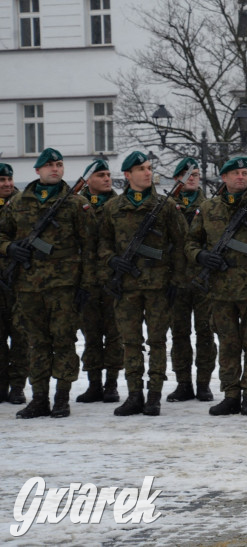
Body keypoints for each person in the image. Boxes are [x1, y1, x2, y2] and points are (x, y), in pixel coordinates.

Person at [186, 156, 247, 416]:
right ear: (224, 178)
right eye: (236, 173)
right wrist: (201, 256)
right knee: (228, 344)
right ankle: (230, 393)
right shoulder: (208, 209)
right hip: (220, 290)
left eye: (245, 172)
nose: (241, 177)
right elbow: (191, 243)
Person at [0, 148, 94, 419]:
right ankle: (39, 398)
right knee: (36, 343)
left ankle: (61, 398)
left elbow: (89, 246)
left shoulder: (76, 204)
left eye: (59, 164)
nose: (55, 169)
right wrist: (10, 248)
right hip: (28, 286)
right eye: (49, 165)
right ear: (37, 170)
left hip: (64, 287)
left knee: (64, 342)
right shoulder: (18, 204)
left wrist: (86, 285)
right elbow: (2, 234)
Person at [97, 151, 187, 416]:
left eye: (149, 168)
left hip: (159, 285)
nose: (147, 173)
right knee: (131, 342)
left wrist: (176, 281)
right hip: (126, 286)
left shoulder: (166, 206)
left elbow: (182, 245)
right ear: (127, 175)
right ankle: (134, 394)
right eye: (141, 169)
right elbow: (101, 244)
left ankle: (154, 395)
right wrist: (112, 261)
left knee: (157, 341)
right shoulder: (112, 208)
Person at [166, 158, 217, 403]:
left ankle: (204, 383)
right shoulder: (166, 206)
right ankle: (183, 382)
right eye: (188, 174)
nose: (193, 177)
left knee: (205, 332)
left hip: (202, 279)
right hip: (175, 280)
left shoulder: (209, 205)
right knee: (179, 333)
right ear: (177, 178)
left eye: (196, 173)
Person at [77, 158, 124, 405]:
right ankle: (94, 384)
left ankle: (111, 385)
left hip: (113, 280)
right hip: (86, 281)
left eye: (108, 174)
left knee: (115, 334)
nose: (107, 178)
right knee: (91, 334)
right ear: (88, 180)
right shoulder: (75, 204)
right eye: (100, 175)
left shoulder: (119, 205)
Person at [0, 162, 29, 405]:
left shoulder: (23, 205)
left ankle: (18, 386)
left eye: (9, 180)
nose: (7, 184)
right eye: (2, 181)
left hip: (19, 281)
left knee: (20, 336)